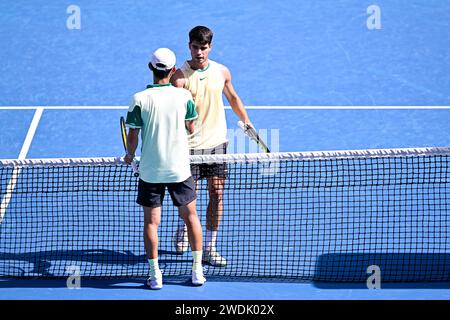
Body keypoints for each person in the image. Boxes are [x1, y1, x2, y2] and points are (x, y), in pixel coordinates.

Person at [124, 47, 206, 289]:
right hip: (180, 168)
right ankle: (197, 271)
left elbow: (133, 135)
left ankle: (155, 275)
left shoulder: (139, 99)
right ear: (172, 71)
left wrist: (129, 155)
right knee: (191, 216)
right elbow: (191, 128)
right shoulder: (184, 97)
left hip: (150, 170)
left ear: (150, 68)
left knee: (151, 223)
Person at [171, 26, 252, 267]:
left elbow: (233, 98)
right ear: (189, 47)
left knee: (217, 194)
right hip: (189, 148)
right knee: (190, 200)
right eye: (195, 48)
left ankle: (209, 247)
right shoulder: (179, 78)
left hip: (217, 144)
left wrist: (246, 120)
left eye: (203, 48)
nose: (199, 53)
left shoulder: (221, 71)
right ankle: (182, 227)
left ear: (210, 47)